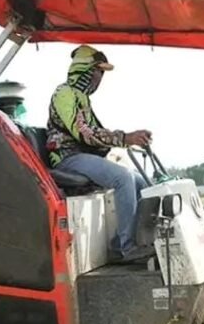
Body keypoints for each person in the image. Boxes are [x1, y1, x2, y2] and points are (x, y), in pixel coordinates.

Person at [45, 45, 154, 263]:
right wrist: (125, 138)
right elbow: (84, 133)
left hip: (84, 157)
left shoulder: (82, 98)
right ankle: (128, 249)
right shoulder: (64, 94)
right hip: (67, 158)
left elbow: (96, 132)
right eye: (98, 71)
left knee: (140, 180)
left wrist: (126, 139)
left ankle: (124, 242)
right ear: (85, 70)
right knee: (123, 178)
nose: (100, 78)